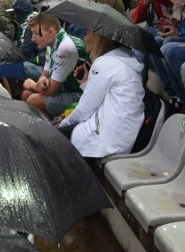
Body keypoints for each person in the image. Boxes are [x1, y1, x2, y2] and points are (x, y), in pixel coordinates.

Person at [58, 31, 145, 163]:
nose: (84, 38)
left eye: (87, 33)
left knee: (51, 138)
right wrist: (86, 83)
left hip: (104, 143)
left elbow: (84, 110)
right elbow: (105, 101)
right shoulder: (123, 59)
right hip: (119, 137)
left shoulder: (105, 63)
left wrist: (62, 124)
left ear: (99, 38)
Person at [20, 13, 84, 117]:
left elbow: (52, 91)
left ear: (50, 32)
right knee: (26, 94)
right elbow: (45, 74)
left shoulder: (65, 48)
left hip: (82, 95)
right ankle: (50, 125)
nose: (32, 39)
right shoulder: (53, 42)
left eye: (36, 33)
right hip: (67, 88)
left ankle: (51, 129)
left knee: (33, 100)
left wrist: (32, 85)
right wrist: (41, 80)